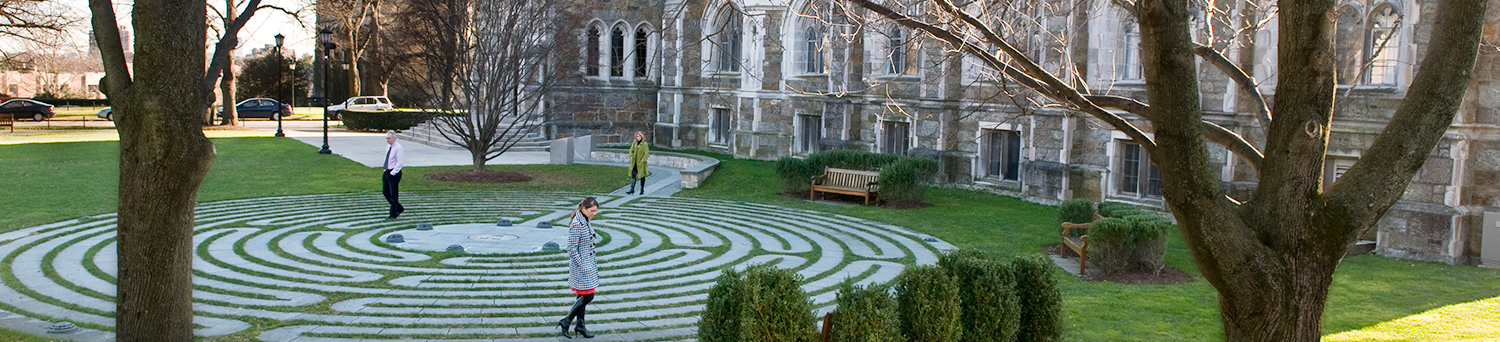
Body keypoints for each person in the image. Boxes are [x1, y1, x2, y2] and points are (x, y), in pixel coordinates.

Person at [558, 197, 601, 338]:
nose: (594, 214)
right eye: (592, 211)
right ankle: (567, 320)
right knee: (588, 296)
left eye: (596, 211)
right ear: (584, 209)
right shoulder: (577, 224)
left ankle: (580, 325)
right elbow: (571, 248)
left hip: (587, 263)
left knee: (583, 295)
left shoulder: (585, 220)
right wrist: (582, 264)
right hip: (582, 266)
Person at [382, 130, 405, 219]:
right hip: (387, 171)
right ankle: (399, 208)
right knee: (385, 192)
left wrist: (393, 173)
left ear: (394, 138)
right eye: (386, 138)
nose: (387, 140)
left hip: (394, 172)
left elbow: (400, 163)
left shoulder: (398, 148)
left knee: (393, 193)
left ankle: (393, 213)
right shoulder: (389, 146)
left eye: (389, 138)